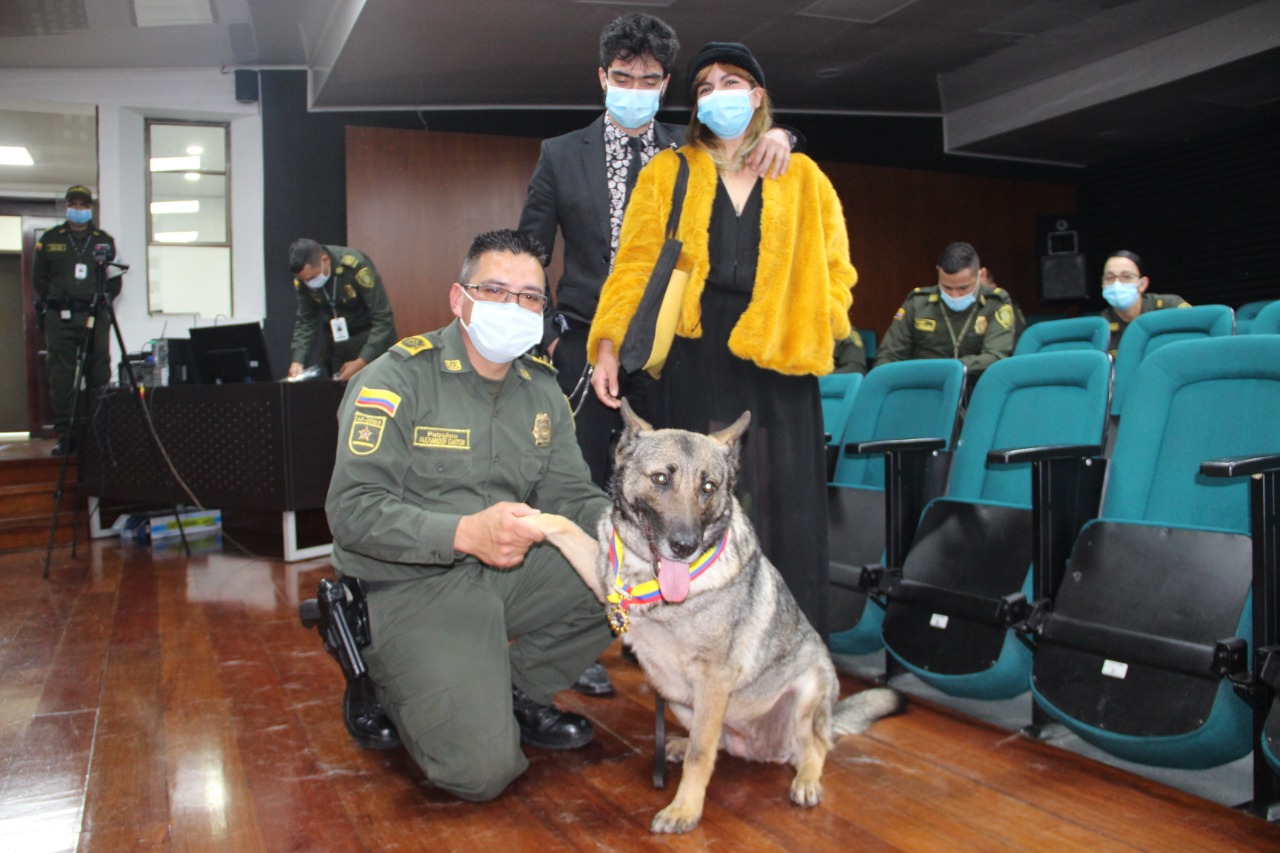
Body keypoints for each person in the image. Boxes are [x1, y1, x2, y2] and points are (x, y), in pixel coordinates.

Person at [517, 12, 795, 695]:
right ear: (602, 79)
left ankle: (672, 628)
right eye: (622, 78)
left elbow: (758, 156)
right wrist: (555, 332)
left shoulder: (691, 150)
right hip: (590, 339)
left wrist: (787, 135)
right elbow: (530, 247)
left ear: (667, 84)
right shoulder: (561, 153)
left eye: (649, 79)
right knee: (587, 488)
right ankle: (584, 632)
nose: (635, 88)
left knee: (671, 494)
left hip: (674, 346)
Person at [325, 229, 613, 802]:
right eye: (496, 290)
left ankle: (516, 690)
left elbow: (572, 497)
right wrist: (464, 533)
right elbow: (352, 512)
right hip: (412, 584)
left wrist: (634, 539)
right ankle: (379, 676)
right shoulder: (396, 378)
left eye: (531, 297)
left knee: (625, 577)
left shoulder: (543, 392)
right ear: (460, 299)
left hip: (509, 568)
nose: (515, 306)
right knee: (481, 775)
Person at [587, 42, 856, 640]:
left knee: (789, 513)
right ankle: (695, 654)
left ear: (757, 96)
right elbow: (632, 266)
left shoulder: (802, 175)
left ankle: (790, 652)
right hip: (693, 358)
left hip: (779, 366)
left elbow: (837, 267)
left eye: (730, 83)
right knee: (692, 513)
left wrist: (822, 318)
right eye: (704, 88)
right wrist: (606, 343)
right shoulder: (669, 171)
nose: (716, 96)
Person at [33, 185, 122, 455]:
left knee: (99, 371)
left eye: (84, 205)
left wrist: (102, 300)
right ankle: (66, 434)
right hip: (60, 317)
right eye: (75, 204)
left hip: (94, 314)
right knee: (61, 375)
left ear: (91, 208)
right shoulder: (49, 239)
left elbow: (116, 276)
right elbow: (39, 279)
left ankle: (98, 432)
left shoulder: (105, 240)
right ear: (66, 207)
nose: (79, 210)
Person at [873, 241, 1017, 376]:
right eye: (947, 287)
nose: (955, 294)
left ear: (979, 276)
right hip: (923, 387)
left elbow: (995, 356)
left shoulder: (996, 303)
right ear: (938, 272)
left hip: (973, 388)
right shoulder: (917, 303)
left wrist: (946, 370)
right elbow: (888, 356)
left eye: (963, 288)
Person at [287, 238, 396, 381]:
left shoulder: (356, 265)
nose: (310, 283)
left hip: (372, 343)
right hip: (339, 344)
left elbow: (383, 318)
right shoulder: (303, 278)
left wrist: (362, 361)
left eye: (313, 277)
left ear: (325, 260)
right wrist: (298, 360)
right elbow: (306, 320)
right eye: (305, 280)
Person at [1099, 250, 1190, 355]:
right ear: (1102, 284)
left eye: (1127, 277)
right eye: (1109, 278)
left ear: (1142, 284)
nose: (1116, 284)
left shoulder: (1171, 306)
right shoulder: (1103, 325)